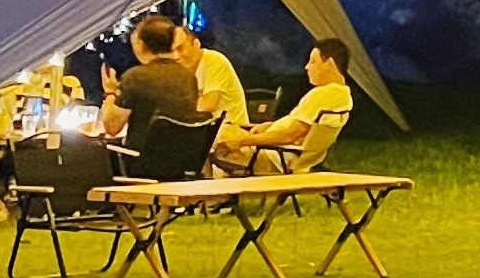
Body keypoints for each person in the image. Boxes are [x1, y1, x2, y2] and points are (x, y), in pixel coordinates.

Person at [217, 37, 356, 174]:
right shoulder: (344, 96)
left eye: (313, 61)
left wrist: (242, 141)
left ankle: (212, 186)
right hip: (285, 154)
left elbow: (290, 135)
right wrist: (270, 126)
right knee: (223, 132)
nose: (307, 67)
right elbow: (302, 129)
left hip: (274, 158)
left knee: (216, 136)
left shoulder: (321, 95)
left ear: (330, 63)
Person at [103, 13, 200, 141]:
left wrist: (110, 93)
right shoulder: (188, 77)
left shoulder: (135, 77)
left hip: (141, 153)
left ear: (141, 44)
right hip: (185, 152)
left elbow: (112, 127)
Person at [170, 18, 248, 133]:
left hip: (232, 132)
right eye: (171, 51)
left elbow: (208, 105)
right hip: (206, 132)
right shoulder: (180, 71)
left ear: (196, 44)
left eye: (180, 48)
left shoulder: (213, 60)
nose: (175, 56)